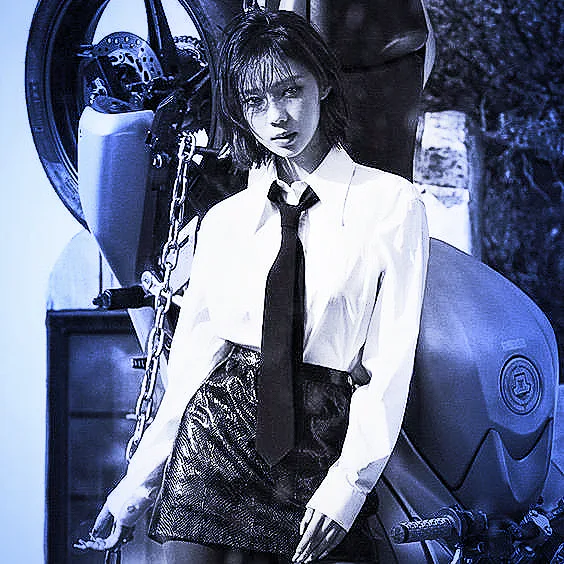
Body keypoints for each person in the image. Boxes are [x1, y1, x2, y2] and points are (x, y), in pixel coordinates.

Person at [75, 8, 429, 564]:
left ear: (324, 83)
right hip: (214, 444)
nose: (277, 117)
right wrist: (135, 485)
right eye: (255, 102)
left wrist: (349, 487)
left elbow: (389, 367)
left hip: (321, 447)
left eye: (290, 91)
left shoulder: (391, 206)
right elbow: (192, 368)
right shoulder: (224, 224)